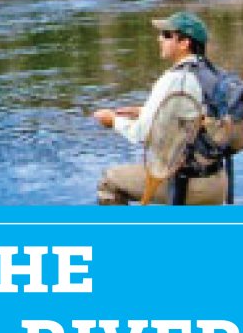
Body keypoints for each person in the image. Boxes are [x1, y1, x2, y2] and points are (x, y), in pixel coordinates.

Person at [93, 11, 228, 205]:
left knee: (109, 182)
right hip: (218, 181)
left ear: (184, 43)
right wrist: (143, 111)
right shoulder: (211, 73)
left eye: (166, 35)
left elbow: (141, 134)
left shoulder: (174, 79)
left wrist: (112, 120)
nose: (159, 39)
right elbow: (193, 116)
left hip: (190, 182)